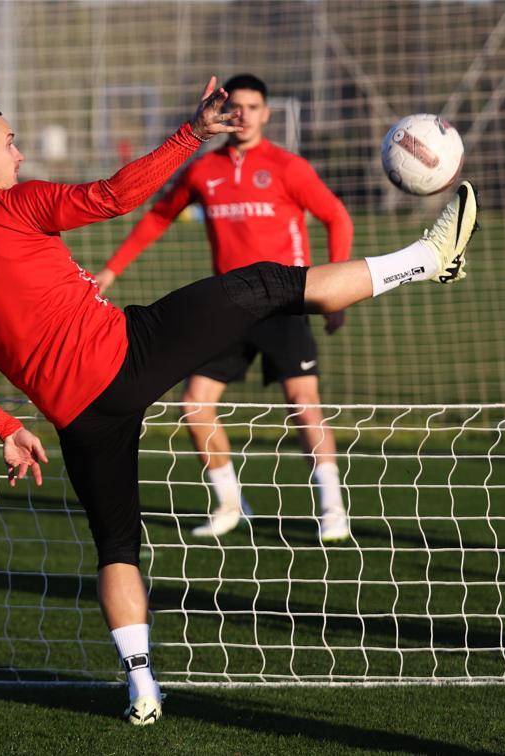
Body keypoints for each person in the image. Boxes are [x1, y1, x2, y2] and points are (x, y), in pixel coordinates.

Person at [0, 76, 478, 725]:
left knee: (116, 547)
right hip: (125, 356)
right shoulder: (11, 205)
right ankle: (427, 259)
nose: (20, 155)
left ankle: (141, 686)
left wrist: (6, 425)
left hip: (76, 419)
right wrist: (192, 133)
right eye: (10, 142)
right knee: (264, 284)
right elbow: (116, 197)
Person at [96, 74, 354, 541]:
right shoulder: (202, 171)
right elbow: (158, 216)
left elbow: (336, 215)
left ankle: (332, 508)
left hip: (285, 302)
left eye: (254, 107)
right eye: (236, 106)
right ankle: (232, 503)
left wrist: (336, 290)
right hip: (228, 304)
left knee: (304, 404)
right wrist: (112, 270)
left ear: (267, 113)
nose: (244, 115)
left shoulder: (287, 167)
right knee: (195, 404)